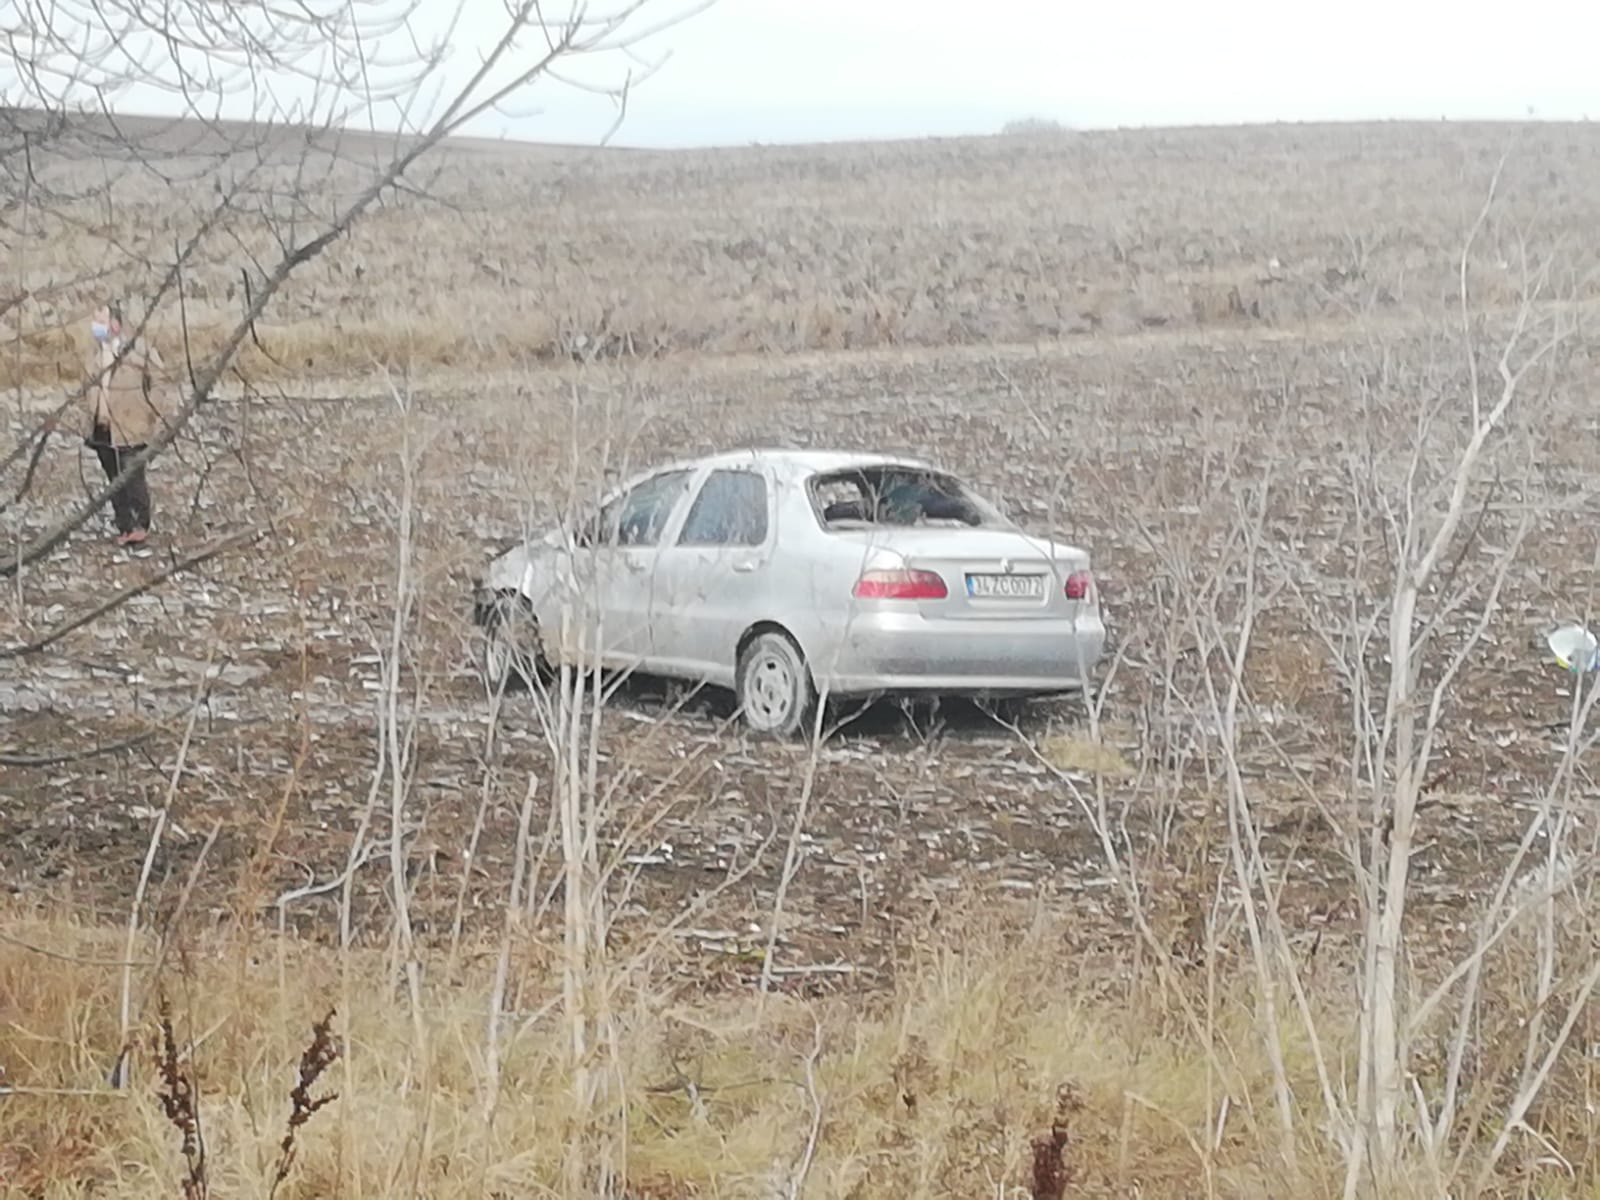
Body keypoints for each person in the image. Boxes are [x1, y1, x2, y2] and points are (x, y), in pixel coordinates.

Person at [82, 300, 169, 546]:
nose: (95, 327)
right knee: (113, 480)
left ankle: (141, 524)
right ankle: (124, 526)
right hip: (102, 429)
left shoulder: (139, 349)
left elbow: (160, 381)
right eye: (94, 321)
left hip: (132, 424)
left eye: (101, 321)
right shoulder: (96, 354)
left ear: (116, 324)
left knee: (133, 476)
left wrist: (151, 411)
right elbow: (85, 388)